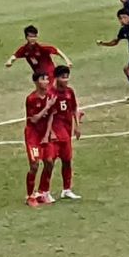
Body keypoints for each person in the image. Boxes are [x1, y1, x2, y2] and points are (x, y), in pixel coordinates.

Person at [47, 65, 82, 201]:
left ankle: (66, 189)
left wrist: (77, 126)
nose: (66, 80)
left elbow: (74, 109)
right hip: (55, 132)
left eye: (67, 77)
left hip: (66, 131)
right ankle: (45, 191)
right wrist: (50, 131)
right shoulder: (50, 93)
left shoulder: (69, 92)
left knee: (67, 161)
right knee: (51, 161)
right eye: (63, 77)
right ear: (56, 78)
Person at [23, 71, 57, 208]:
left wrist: (48, 134)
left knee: (49, 162)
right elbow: (35, 119)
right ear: (36, 82)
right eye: (44, 79)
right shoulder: (31, 99)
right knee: (34, 165)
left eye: (47, 79)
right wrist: (47, 106)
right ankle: (30, 195)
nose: (47, 82)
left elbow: (51, 117)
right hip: (32, 136)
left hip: (44, 134)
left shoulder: (50, 96)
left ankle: (43, 191)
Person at [7, 25, 72, 78]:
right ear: (26, 37)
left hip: (50, 75)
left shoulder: (42, 47)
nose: (33, 39)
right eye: (30, 36)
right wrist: (10, 61)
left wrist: (67, 61)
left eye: (34, 36)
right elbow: (15, 55)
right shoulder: (24, 49)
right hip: (39, 77)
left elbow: (57, 50)